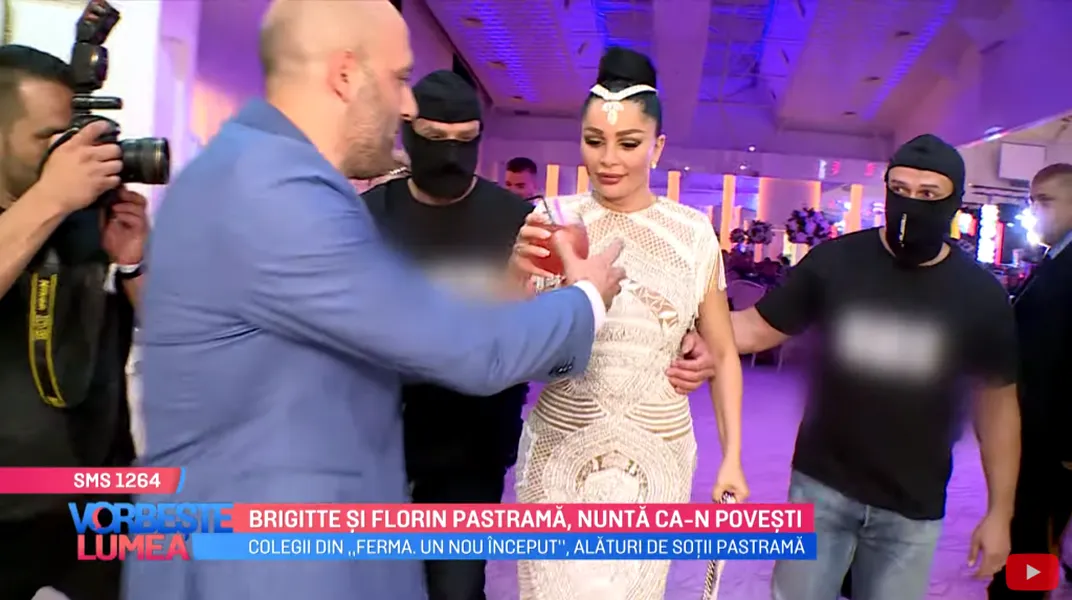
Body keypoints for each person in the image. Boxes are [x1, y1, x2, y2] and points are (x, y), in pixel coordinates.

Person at [126, 2, 625, 600]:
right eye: (399, 78)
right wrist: (586, 299)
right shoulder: (277, 194)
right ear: (345, 75)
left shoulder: (260, 173)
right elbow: (461, 346)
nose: (408, 105)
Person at [363, 70, 718, 600]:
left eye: (465, 139)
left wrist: (690, 334)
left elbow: (557, 332)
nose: (449, 154)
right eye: (434, 138)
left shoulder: (521, 219)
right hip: (372, 438)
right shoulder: (367, 215)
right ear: (409, 132)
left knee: (456, 588)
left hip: (471, 447)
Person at [730, 134, 1019, 600]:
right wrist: (684, 321)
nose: (910, 203)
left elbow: (998, 408)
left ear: (954, 202)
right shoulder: (835, 262)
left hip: (912, 503)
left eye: (928, 193)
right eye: (899, 189)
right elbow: (755, 329)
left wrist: (1000, 512)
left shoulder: (980, 295)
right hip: (822, 485)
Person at [509, 46, 747, 599]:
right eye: (595, 141)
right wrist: (513, 271)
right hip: (559, 447)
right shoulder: (552, 220)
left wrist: (733, 457)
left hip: (655, 454)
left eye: (629, 143)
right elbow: (504, 337)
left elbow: (723, 351)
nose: (609, 159)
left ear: (657, 147)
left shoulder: (692, 233)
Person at [0, 45, 145, 600]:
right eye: (48, 139)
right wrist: (50, 199)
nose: (67, 154)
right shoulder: (55, 201)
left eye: (71, 136)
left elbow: (168, 332)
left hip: (98, 500)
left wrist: (134, 262)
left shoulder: (87, 214)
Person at [988, 163, 1072, 599]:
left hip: (1055, 433)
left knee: (1039, 529)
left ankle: (1024, 594)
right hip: (1032, 423)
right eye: (1032, 200)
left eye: (1046, 200)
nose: (1034, 210)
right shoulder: (1055, 257)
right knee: (1028, 520)